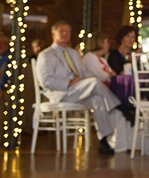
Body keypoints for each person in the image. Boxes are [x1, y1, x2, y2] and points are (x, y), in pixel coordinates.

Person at [35, 20, 129, 155]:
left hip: (78, 92)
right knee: (95, 83)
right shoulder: (46, 55)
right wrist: (68, 82)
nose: (66, 34)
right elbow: (45, 81)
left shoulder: (73, 53)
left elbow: (84, 73)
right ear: (53, 35)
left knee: (97, 99)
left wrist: (90, 80)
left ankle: (104, 141)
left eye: (68, 32)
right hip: (60, 94)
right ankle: (121, 107)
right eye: (62, 32)